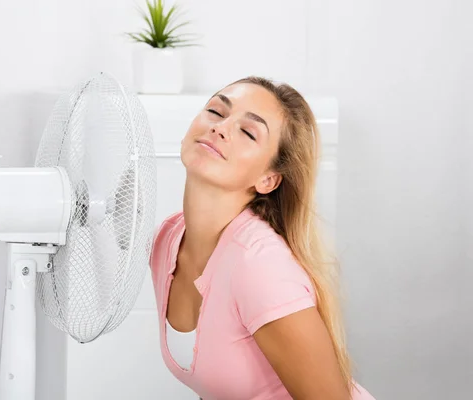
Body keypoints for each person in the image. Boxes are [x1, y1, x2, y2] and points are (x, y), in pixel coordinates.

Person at [149, 76, 376, 399]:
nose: (221, 128)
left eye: (247, 132)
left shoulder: (259, 267)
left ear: (268, 179)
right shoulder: (166, 242)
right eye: (215, 111)